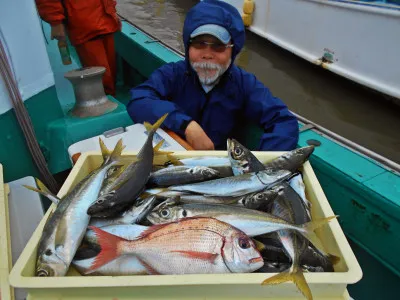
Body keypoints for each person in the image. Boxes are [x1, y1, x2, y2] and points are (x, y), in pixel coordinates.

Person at [127, 0, 299, 151]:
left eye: (218, 46)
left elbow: (283, 120)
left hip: (216, 167)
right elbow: (139, 100)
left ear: (233, 50)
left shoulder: (244, 84)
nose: (207, 54)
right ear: (188, 47)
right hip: (173, 155)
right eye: (199, 44)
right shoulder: (173, 74)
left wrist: (262, 164)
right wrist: (186, 125)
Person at [35, 0, 121, 96]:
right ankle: (104, 103)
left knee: (112, 71)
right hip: (83, 25)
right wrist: (55, 22)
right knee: (102, 78)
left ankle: (109, 99)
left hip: (106, 19)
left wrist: (111, 10)